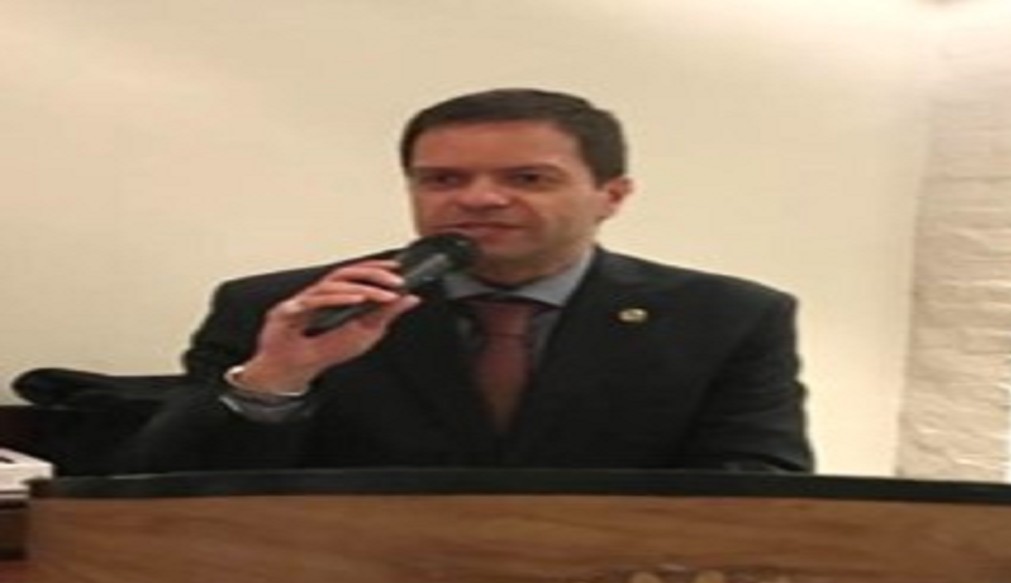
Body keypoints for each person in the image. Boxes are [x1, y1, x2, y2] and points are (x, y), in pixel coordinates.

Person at [118, 88, 813, 474]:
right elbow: (158, 490)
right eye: (443, 179)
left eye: (528, 178)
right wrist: (276, 380)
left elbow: (758, 491)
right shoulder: (288, 310)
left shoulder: (727, 318)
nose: (478, 199)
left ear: (612, 195)